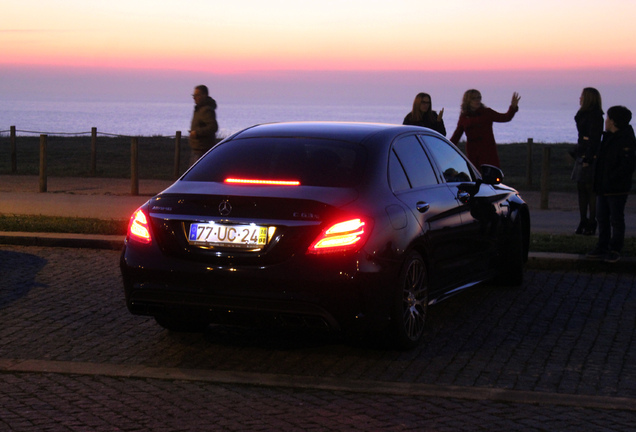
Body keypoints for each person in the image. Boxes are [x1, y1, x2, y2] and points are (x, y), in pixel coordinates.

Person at [586, 105, 636, 263]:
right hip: (603, 186)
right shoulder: (608, 137)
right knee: (602, 218)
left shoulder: (626, 140)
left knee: (616, 219)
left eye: (608, 118)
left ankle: (615, 248)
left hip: (616, 188)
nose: (605, 121)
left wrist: (612, 178)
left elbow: (626, 165)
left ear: (613, 121)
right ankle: (602, 245)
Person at [450, 90, 520, 168]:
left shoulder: (487, 112)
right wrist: (443, 148)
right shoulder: (464, 117)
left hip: (488, 153)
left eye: (479, 98)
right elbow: (456, 137)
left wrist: (513, 107)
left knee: (491, 177)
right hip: (473, 155)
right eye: (474, 98)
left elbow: (505, 117)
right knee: (476, 177)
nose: (477, 100)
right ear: (468, 101)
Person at [572, 87, 604, 235]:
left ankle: (591, 221)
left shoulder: (595, 116)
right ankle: (583, 220)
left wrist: (589, 158)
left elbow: (594, 139)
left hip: (589, 154)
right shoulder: (583, 114)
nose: (579, 98)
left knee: (589, 189)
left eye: (582, 96)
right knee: (581, 188)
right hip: (582, 152)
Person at [189, 85, 218, 165]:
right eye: (194, 95)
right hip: (196, 149)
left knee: (195, 176)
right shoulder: (199, 109)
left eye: (197, 95)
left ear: (204, 95)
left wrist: (197, 133)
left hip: (202, 151)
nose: (194, 98)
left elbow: (213, 127)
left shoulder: (206, 110)